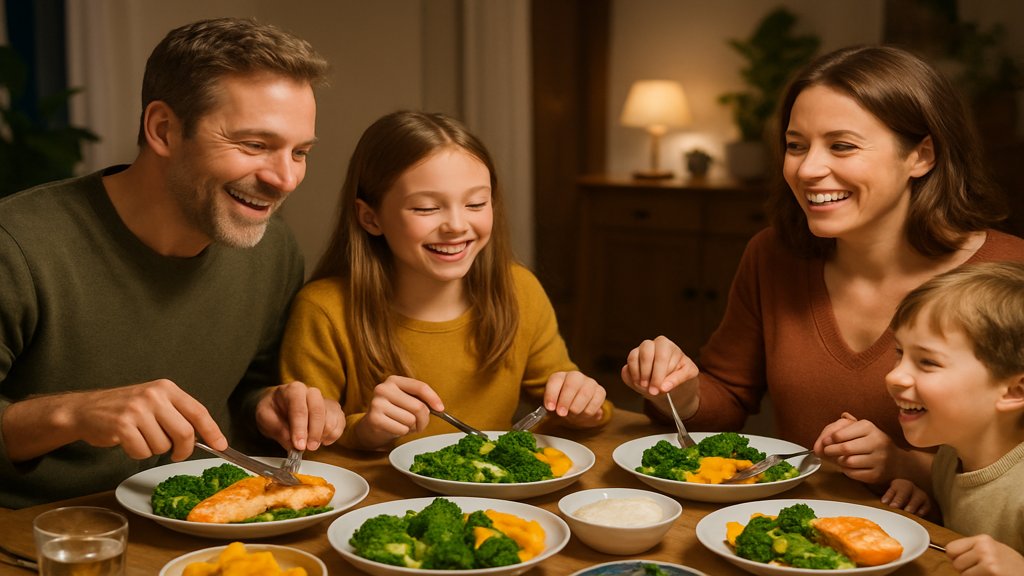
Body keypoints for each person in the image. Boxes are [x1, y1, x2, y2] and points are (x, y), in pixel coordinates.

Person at [620, 45, 1024, 487]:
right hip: (791, 538)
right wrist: (682, 392)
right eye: (796, 145)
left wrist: (910, 468)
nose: (808, 168)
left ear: (921, 156)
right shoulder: (773, 255)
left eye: (842, 146)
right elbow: (730, 398)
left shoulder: (1011, 270)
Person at [0, 17, 343, 508]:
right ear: (163, 129)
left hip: (201, 526)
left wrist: (270, 405)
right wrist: (71, 414)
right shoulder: (15, 244)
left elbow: (247, 389)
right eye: (254, 145)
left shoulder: (273, 249)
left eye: (300, 152)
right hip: (40, 537)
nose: (285, 178)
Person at [280, 110, 610, 450]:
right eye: (426, 208)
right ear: (370, 217)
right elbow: (306, 442)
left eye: (476, 203)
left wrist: (583, 404)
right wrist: (366, 431)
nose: (456, 225)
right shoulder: (323, 309)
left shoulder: (519, 289)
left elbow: (571, 407)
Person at [880, 262, 1024, 575]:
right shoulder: (950, 456)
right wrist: (927, 500)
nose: (895, 375)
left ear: (1015, 390)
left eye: (927, 362)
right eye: (899, 352)